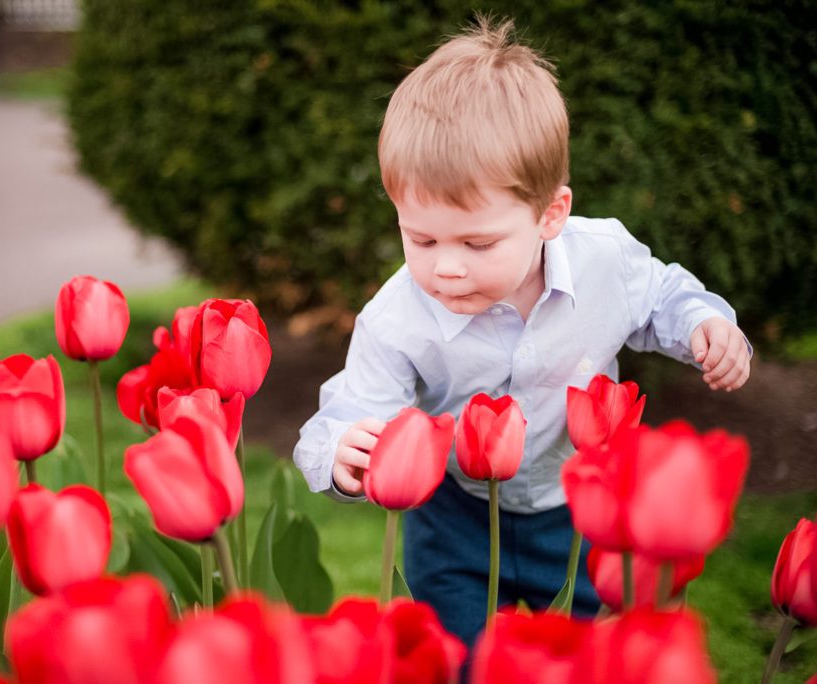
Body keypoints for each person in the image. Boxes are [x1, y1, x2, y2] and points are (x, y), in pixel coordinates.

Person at [292, 16, 752, 654]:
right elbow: (348, 410)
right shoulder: (397, 315)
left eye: (477, 242)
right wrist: (343, 453)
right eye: (420, 238)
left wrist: (706, 323)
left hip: (582, 509)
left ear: (549, 214)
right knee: (452, 657)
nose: (445, 265)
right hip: (452, 519)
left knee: (595, 655)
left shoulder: (603, 260)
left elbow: (663, 298)